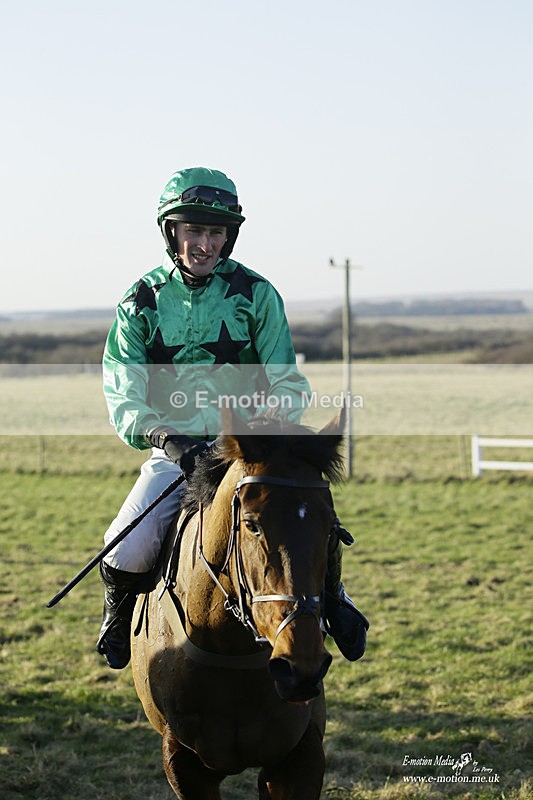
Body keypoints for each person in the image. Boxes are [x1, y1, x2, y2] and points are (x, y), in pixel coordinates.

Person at [97, 167, 367, 670]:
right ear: (171, 231)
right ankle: (117, 616)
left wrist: (265, 426)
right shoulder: (140, 302)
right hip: (176, 455)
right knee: (127, 547)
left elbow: (287, 380)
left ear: (230, 235)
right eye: (194, 231)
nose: (205, 244)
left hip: (249, 448)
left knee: (310, 520)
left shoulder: (257, 294)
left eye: (215, 233)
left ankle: (334, 598)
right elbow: (124, 391)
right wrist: (168, 439)